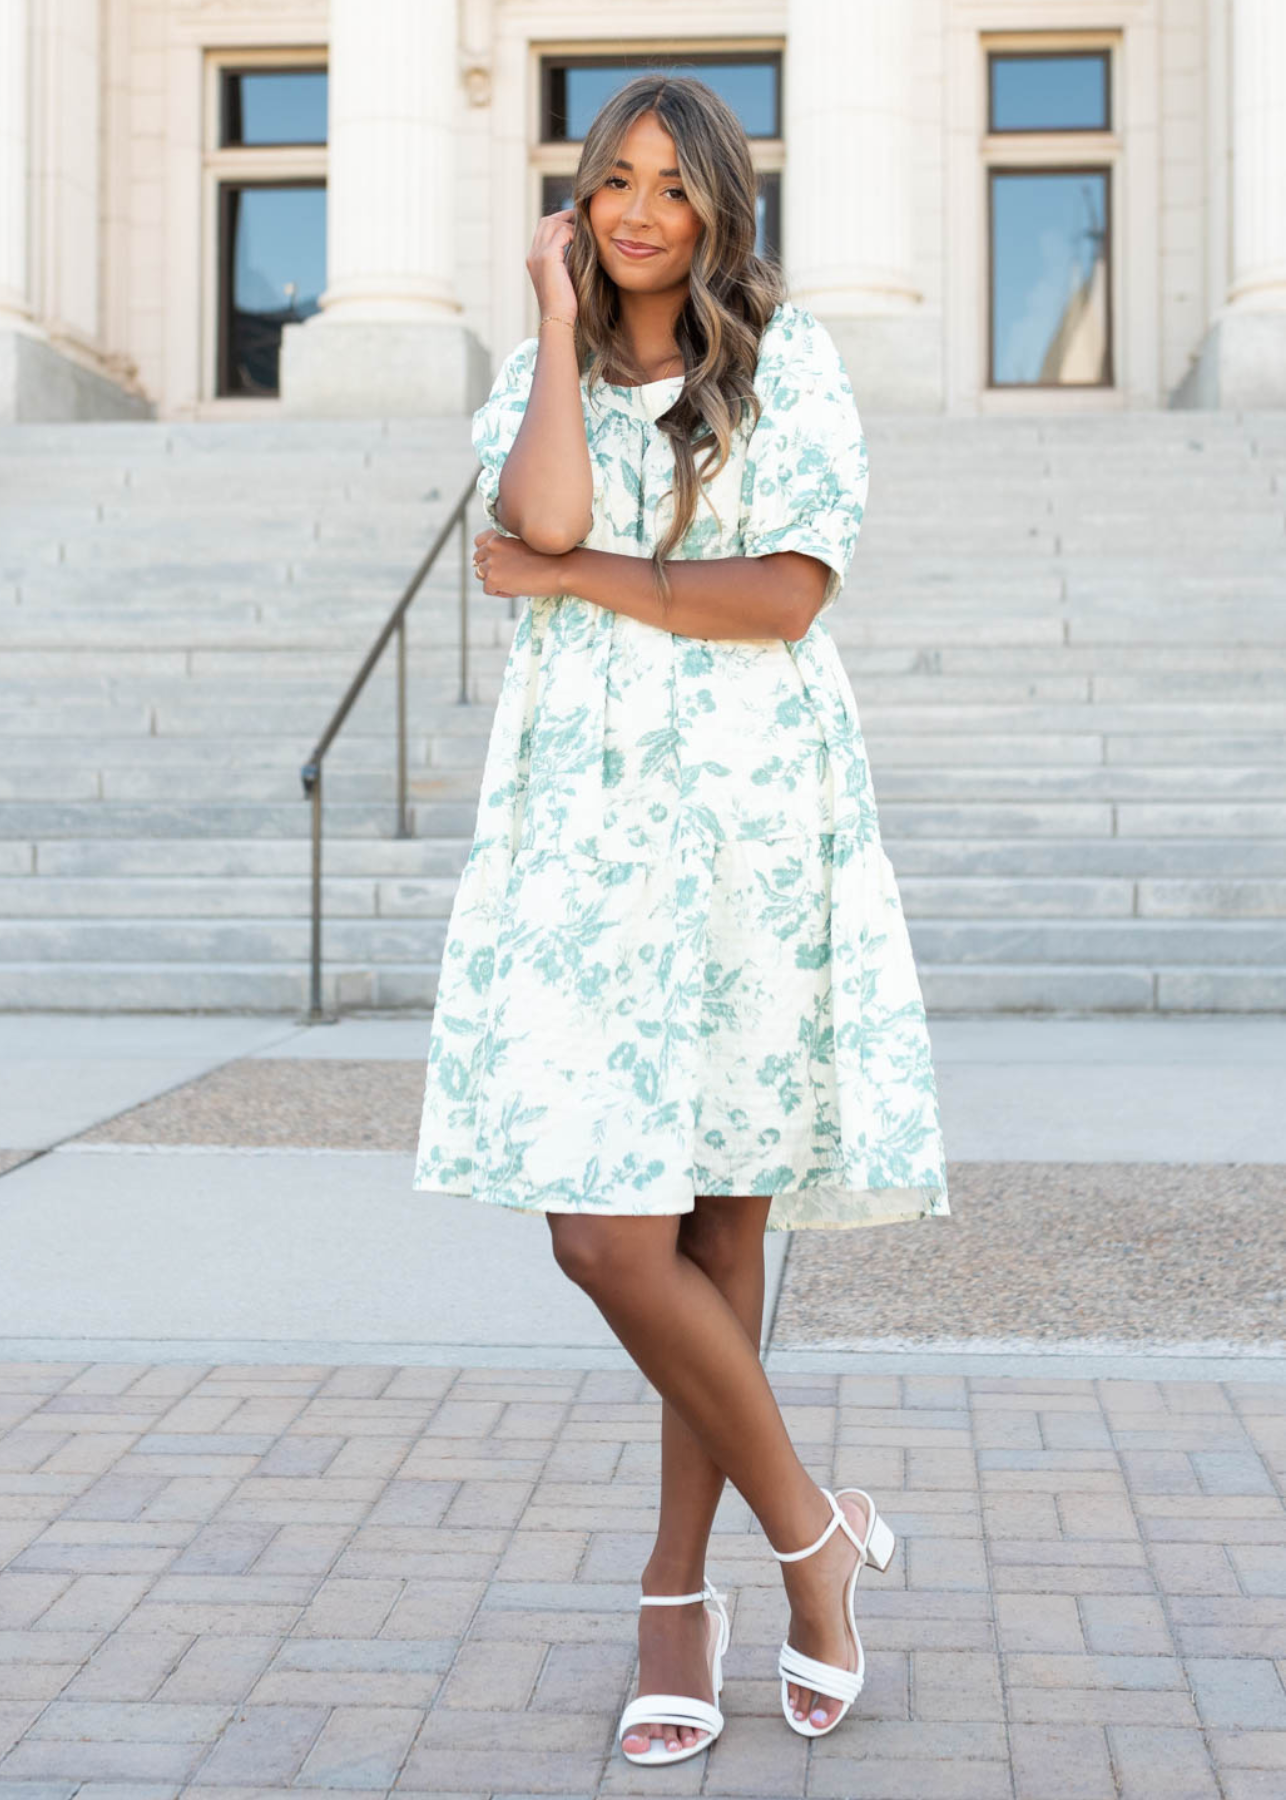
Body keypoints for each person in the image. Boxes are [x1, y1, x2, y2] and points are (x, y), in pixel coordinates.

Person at [414, 73, 949, 1763]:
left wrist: (573, 586)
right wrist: (561, 322)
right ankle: (812, 1537)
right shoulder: (534, 374)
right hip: (581, 841)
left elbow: (782, 595)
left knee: (718, 1232)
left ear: (720, 204)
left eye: (673, 186)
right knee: (603, 1233)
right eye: (613, 185)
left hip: (749, 826)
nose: (644, 211)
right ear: (581, 208)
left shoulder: (787, 366)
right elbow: (547, 508)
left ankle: (675, 1596)